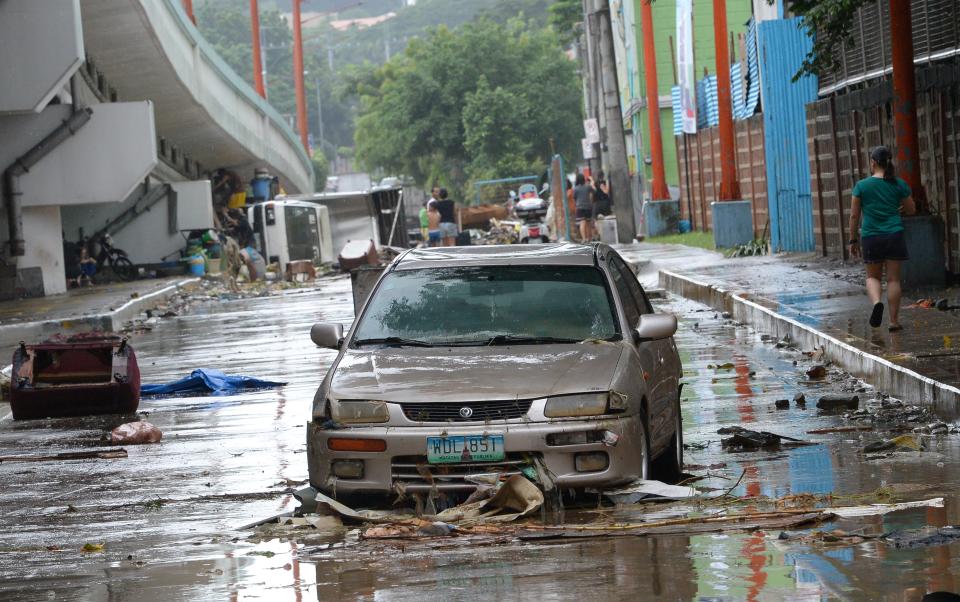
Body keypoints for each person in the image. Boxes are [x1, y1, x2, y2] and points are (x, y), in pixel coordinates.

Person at [848, 145, 916, 332]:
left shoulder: (861, 186)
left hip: (871, 236)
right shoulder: (899, 184)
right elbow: (911, 210)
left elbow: (854, 216)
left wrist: (852, 240)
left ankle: (877, 302)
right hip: (894, 234)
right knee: (893, 280)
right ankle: (894, 321)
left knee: (872, 277)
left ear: (873, 162)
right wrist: (899, 209)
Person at [573, 173, 594, 242]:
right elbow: (594, 191)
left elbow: (574, 198)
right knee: (588, 223)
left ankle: (584, 239)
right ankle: (589, 238)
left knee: (582, 223)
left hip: (580, 207)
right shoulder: (588, 187)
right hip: (588, 207)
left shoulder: (576, 189)